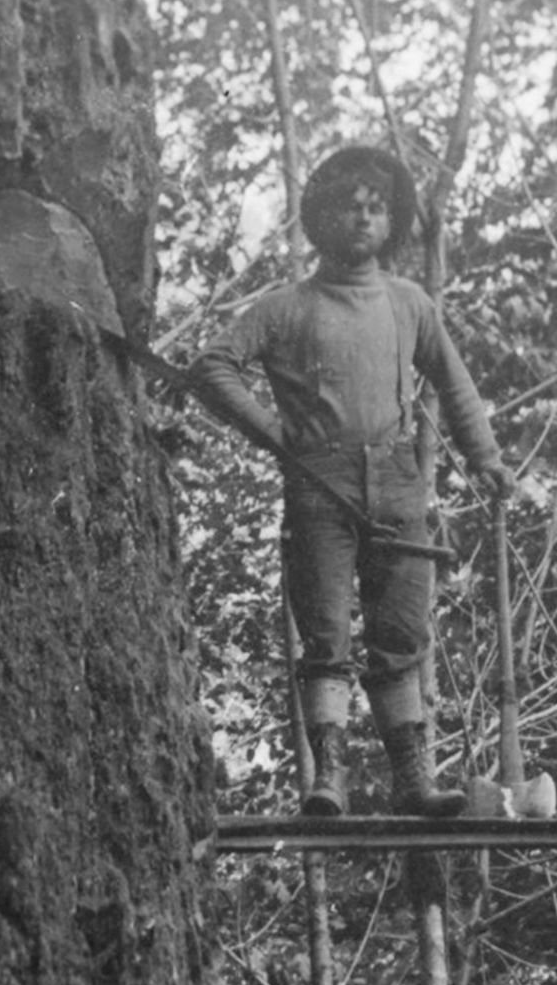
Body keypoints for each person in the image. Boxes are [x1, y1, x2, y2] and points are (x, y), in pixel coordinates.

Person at [186, 145, 513, 818]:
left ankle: (413, 782)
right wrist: (277, 435)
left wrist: (485, 457)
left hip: (397, 480)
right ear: (321, 217)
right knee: (327, 630)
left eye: (376, 208)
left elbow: (454, 384)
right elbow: (213, 366)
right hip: (319, 484)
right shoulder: (288, 308)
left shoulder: (409, 303)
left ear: (390, 222)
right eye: (349, 206)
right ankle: (326, 779)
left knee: (400, 632)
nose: (363, 219)